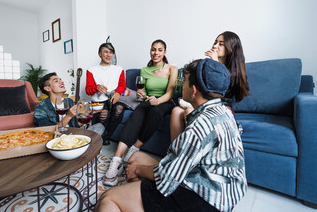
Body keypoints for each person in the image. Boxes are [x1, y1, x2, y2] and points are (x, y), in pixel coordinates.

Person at [95, 58, 247, 212]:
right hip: (218, 189)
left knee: (108, 199)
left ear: (193, 90)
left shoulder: (200, 125)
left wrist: (138, 170)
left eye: (185, 81)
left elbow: (169, 179)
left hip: (203, 199)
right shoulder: (226, 112)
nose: (181, 84)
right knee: (135, 158)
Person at [103, 39, 178, 187]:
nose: (155, 53)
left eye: (159, 50)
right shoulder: (145, 70)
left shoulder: (172, 69)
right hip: (149, 101)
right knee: (137, 113)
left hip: (165, 102)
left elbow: (170, 93)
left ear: (164, 52)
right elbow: (142, 91)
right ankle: (117, 159)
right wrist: (140, 94)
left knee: (156, 111)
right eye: (153, 49)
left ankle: (135, 147)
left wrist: (158, 100)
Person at [170, 31, 250, 141]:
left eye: (221, 44)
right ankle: (176, 153)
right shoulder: (209, 65)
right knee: (176, 111)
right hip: (203, 102)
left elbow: (218, 91)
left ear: (231, 47)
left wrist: (215, 62)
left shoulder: (234, 71)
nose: (215, 46)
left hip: (222, 107)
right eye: (215, 42)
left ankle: (194, 151)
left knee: (189, 111)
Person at [85, 41, 127, 145]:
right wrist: (96, 87)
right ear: (100, 54)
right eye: (105, 52)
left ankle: (106, 135)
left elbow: (122, 85)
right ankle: (101, 136)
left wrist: (117, 93)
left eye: (111, 52)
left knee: (119, 109)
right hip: (98, 102)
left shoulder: (119, 69)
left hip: (113, 99)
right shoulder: (91, 70)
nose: (108, 55)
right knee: (104, 114)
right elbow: (88, 90)